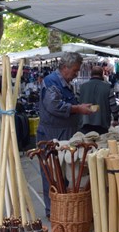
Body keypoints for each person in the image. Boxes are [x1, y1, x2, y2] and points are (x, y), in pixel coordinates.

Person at [36, 51, 93, 217]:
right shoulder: (51, 82)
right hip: (51, 134)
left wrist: (79, 106)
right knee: (51, 173)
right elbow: (54, 106)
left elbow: (65, 103)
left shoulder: (65, 83)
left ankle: (64, 208)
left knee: (66, 173)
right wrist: (78, 108)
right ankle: (53, 210)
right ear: (65, 67)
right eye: (75, 71)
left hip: (65, 133)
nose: (76, 75)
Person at [79, 65, 119, 134]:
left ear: (91, 74)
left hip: (85, 123)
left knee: (85, 144)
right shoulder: (108, 87)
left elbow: (76, 103)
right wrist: (115, 118)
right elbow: (113, 105)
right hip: (102, 123)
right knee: (101, 143)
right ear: (102, 75)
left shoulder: (82, 87)